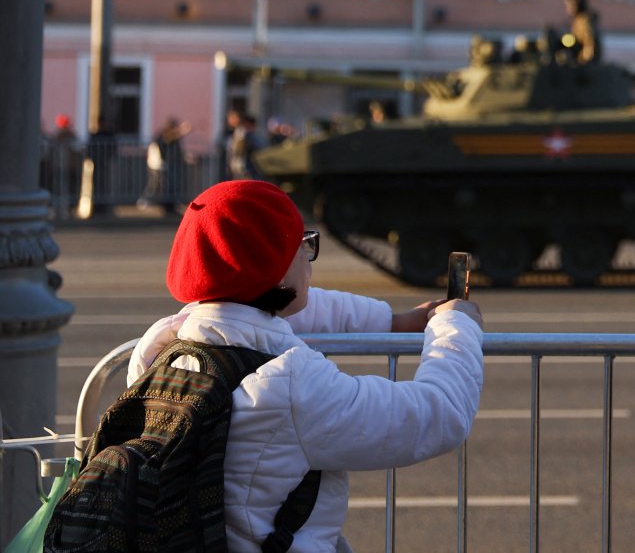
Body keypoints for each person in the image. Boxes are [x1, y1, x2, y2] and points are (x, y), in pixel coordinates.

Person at [128, 180, 484, 551]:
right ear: (277, 266)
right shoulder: (292, 386)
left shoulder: (161, 350)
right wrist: (456, 325)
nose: (308, 259)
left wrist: (392, 321)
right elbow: (438, 414)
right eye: (303, 246)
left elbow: (262, 313)